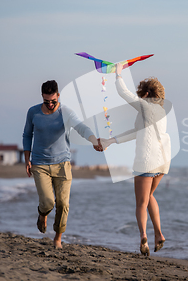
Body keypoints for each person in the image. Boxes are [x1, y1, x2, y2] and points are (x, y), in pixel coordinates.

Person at [99, 63, 171, 256]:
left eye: (141, 94)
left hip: (146, 161)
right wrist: (111, 141)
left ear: (146, 94)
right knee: (149, 197)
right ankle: (159, 234)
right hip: (163, 162)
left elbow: (125, 94)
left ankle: (143, 238)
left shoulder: (146, 107)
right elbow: (134, 133)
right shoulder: (160, 113)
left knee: (140, 202)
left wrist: (119, 73)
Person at [23, 80, 101, 248]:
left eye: (53, 101)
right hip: (40, 164)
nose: (50, 105)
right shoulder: (33, 112)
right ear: (42, 97)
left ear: (58, 96)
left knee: (63, 204)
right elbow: (27, 135)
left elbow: (81, 127)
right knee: (48, 201)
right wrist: (26, 158)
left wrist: (94, 140)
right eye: (46, 101)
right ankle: (42, 213)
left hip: (62, 164)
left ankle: (58, 238)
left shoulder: (66, 112)